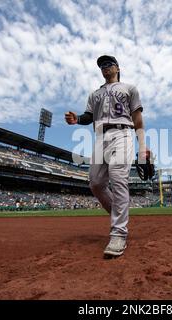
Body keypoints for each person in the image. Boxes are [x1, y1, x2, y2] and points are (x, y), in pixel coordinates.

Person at [65, 55, 147, 258]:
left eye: (108, 64)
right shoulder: (94, 94)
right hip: (101, 136)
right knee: (95, 183)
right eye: (101, 65)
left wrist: (143, 147)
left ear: (118, 67)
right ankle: (119, 213)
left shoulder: (130, 88)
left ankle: (118, 233)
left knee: (118, 178)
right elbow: (88, 116)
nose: (104, 67)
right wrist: (77, 120)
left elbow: (137, 120)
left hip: (123, 133)